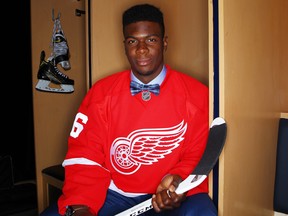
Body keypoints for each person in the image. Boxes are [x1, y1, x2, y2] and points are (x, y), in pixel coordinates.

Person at [40, 3, 217, 216]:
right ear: (125, 45)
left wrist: (176, 181)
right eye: (133, 41)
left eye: (151, 39)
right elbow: (85, 155)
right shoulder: (101, 93)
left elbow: (196, 155)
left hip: (168, 197)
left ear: (165, 42)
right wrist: (80, 206)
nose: (142, 49)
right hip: (113, 194)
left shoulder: (197, 95)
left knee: (203, 211)